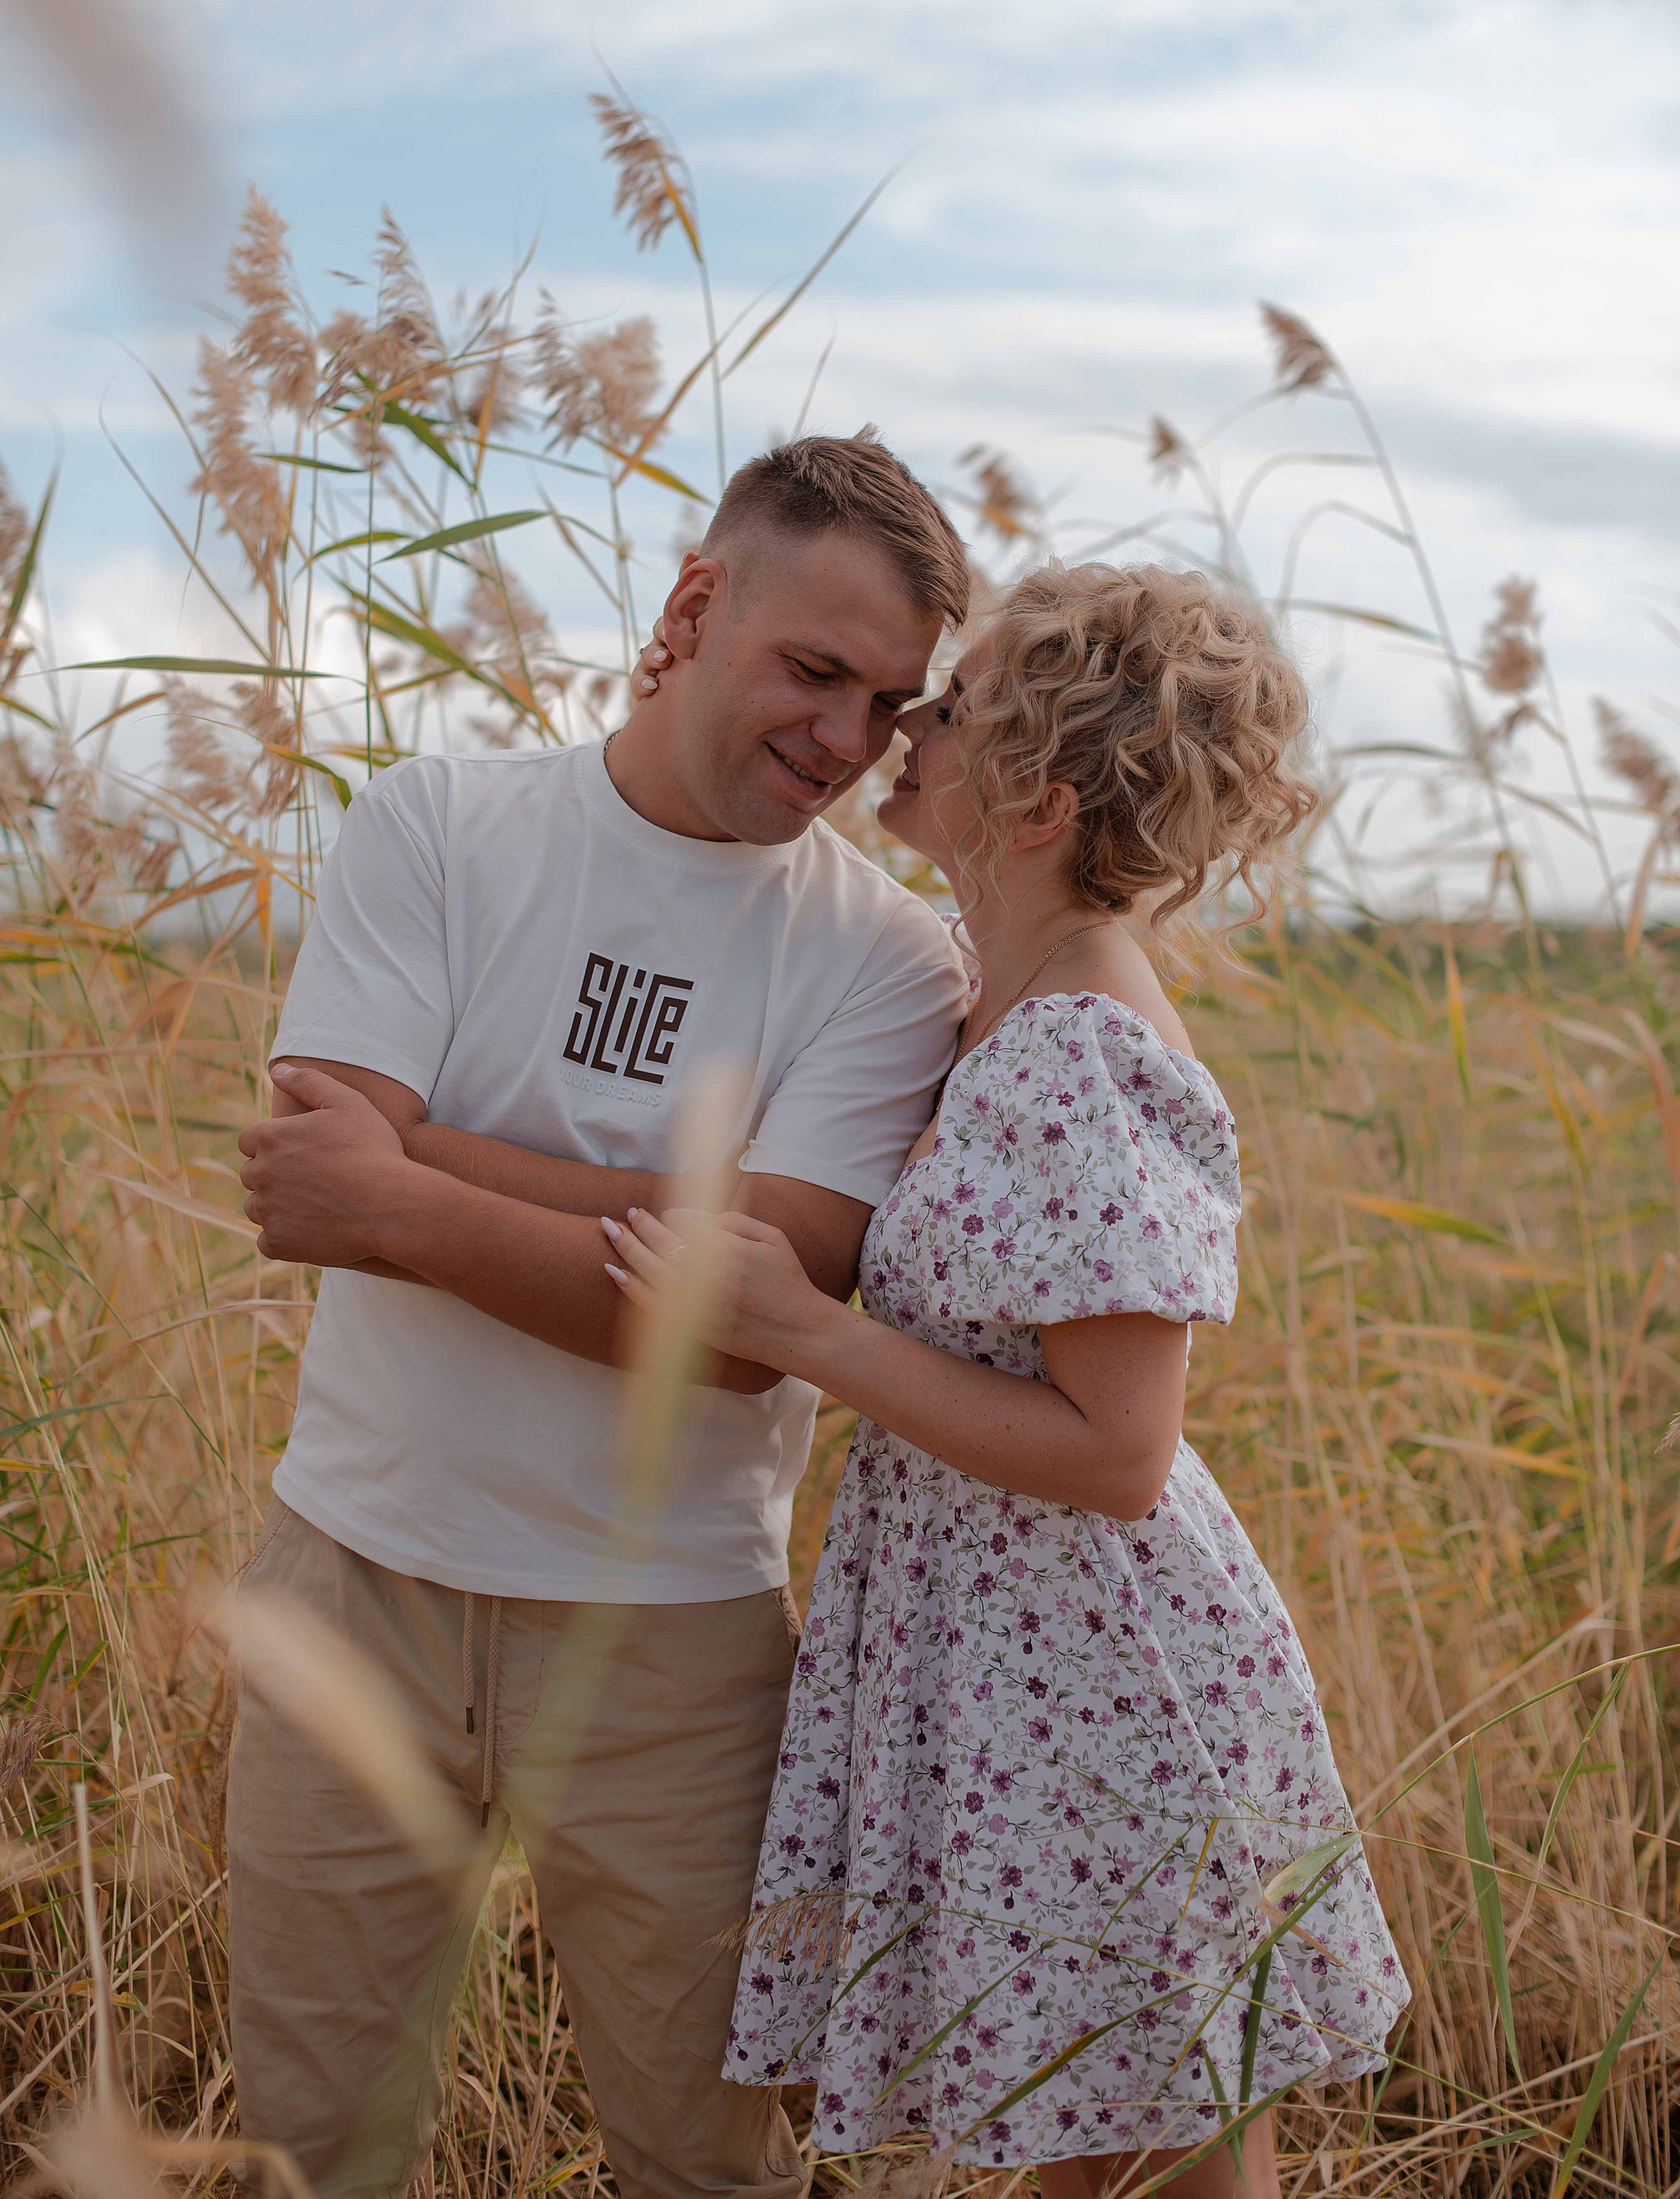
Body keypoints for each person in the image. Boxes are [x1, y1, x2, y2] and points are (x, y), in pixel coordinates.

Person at [230, 432, 975, 2199]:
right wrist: (679, 1235)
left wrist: (416, 1190)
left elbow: (740, 1331)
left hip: (677, 1634)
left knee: (709, 2161)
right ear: (696, 602)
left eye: (892, 705)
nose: (850, 743)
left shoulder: (891, 956)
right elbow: (310, 1171)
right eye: (816, 672)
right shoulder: (439, 822)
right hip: (356, 1580)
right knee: (310, 2147)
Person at [610, 563, 1410, 2199]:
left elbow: (1120, 1451)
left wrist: (812, 1335)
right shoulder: (1001, 1006)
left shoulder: (1076, 1050)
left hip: (1091, 1672)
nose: (907, 722)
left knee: (1149, 2160)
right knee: (1105, 2149)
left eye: (951, 709)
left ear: (1036, 802)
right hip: (1016, 1661)